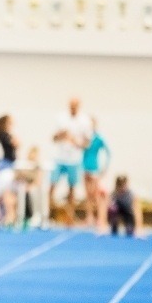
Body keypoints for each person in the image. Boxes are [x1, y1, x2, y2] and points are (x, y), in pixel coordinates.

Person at [50, 97, 92, 227]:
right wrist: (61, 135)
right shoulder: (61, 118)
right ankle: (48, 215)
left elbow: (87, 143)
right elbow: (53, 138)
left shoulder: (85, 120)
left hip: (74, 159)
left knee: (72, 188)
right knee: (52, 186)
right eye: (71, 105)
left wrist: (76, 142)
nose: (72, 108)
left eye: (75, 106)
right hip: (59, 157)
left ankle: (69, 218)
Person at [82, 116, 111, 232]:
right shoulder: (85, 138)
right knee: (88, 195)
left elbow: (108, 152)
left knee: (95, 194)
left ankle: (100, 218)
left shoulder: (99, 139)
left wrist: (105, 168)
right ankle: (89, 217)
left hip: (94, 168)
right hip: (85, 167)